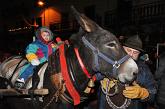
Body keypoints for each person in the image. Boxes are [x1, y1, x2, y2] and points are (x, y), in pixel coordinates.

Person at [122, 35, 157, 109]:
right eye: (128, 50)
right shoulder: (111, 63)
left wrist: (143, 93)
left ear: (139, 54)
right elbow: (96, 75)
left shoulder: (144, 69)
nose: (131, 54)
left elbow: (153, 93)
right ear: (122, 48)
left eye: (135, 52)